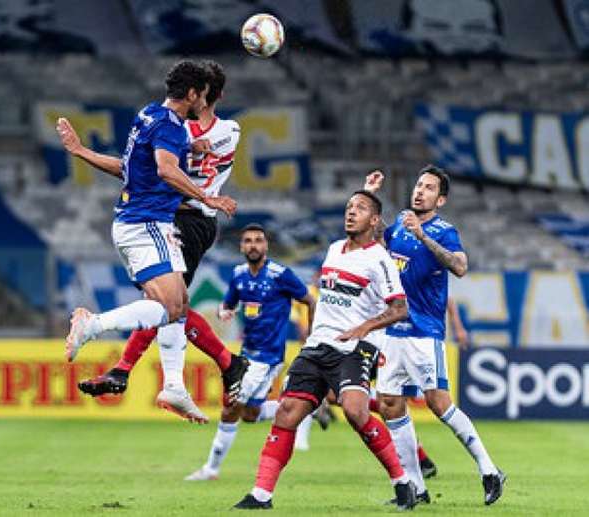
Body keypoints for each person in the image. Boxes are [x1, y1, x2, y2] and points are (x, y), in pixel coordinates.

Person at [58, 60, 236, 424]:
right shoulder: (171, 128)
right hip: (146, 224)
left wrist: (81, 152)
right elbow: (166, 169)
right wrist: (208, 198)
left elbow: (127, 168)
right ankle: (92, 324)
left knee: (180, 305)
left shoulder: (149, 115)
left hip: (139, 223)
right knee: (169, 307)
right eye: (201, 93)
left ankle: (174, 386)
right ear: (192, 94)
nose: (203, 99)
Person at [233, 191, 417, 511]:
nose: (350, 213)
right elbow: (322, 299)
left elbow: (400, 309)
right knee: (287, 411)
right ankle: (261, 495)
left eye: (359, 209)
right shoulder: (333, 250)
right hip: (319, 345)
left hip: (356, 347)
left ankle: (403, 482)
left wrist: (364, 328)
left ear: (374, 221)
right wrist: (312, 334)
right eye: (348, 208)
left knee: (355, 410)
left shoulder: (379, 259)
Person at [366, 165, 505, 505]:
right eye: (418, 185)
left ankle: (489, 470)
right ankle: (416, 489)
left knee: (438, 403)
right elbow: (378, 238)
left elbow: (460, 266)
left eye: (428, 188)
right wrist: (368, 194)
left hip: (424, 332)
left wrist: (423, 236)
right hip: (392, 331)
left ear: (439, 199)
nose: (420, 191)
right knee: (389, 404)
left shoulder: (444, 231)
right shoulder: (400, 222)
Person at [184, 224, 322, 482]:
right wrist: (224, 310)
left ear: (266, 246)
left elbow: (311, 301)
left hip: (268, 356)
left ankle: (211, 469)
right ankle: (303, 408)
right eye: (248, 241)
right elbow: (228, 303)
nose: (253, 245)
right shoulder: (238, 275)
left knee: (230, 408)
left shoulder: (281, 274)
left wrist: (312, 338)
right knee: (250, 415)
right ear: (241, 247)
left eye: (258, 240)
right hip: (246, 354)